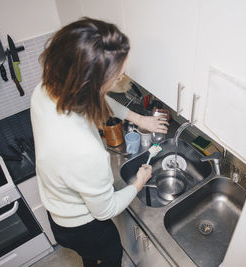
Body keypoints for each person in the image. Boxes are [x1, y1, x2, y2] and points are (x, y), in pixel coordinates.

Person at [30, 17, 168, 267]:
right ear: (89, 85)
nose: (122, 78)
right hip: (83, 227)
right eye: (118, 75)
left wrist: (138, 119)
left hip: (58, 211)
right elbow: (105, 210)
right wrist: (139, 182)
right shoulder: (84, 150)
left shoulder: (45, 90)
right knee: (107, 256)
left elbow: (95, 100)